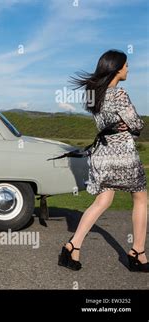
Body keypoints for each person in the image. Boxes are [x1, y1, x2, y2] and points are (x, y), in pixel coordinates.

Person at [58, 49, 148, 272]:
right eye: (126, 65)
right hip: (122, 154)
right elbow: (137, 124)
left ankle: (72, 246)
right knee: (141, 199)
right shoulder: (119, 94)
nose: (128, 69)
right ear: (117, 69)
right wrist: (133, 127)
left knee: (102, 201)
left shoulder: (95, 95)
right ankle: (138, 252)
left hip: (102, 154)